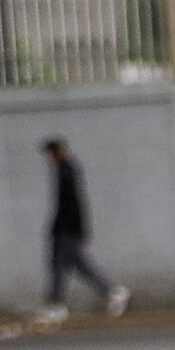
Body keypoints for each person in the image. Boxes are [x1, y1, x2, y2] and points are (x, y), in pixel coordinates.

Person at [38, 136, 126, 318]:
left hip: (67, 230)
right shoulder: (64, 169)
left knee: (59, 267)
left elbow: (73, 203)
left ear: (57, 152)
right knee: (79, 266)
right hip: (66, 229)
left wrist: (78, 230)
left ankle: (57, 305)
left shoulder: (67, 170)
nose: (49, 158)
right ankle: (112, 292)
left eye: (51, 154)